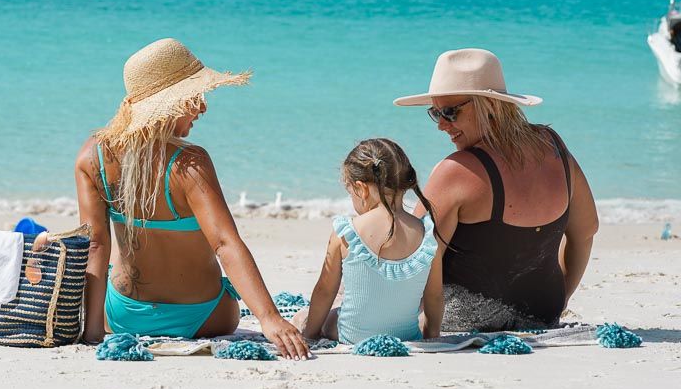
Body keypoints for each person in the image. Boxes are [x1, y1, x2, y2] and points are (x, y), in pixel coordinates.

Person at [75, 38, 308, 359]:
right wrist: (270, 319)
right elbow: (225, 244)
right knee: (227, 294)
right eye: (193, 97)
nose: (202, 107)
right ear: (168, 103)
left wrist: (92, 330)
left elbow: (96, 245)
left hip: (121, 316)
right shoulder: (190, 163)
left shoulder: (93, 156)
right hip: (205, 318)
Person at [394, 49, 598, 332]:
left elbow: (412, 260)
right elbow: (586, 232)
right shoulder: (554, 147)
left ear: (488, 106)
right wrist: (560, 300)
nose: (441, 125)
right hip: (542, 316)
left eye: (450, 112)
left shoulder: (457, 171)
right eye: (435, 113)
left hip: (464, 320)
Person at [298, 138, 441, 343]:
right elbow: (434, 296)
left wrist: (310, 333)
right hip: (406, 335)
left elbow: (324, 290)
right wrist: (431, 336)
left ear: (361, 188)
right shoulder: (427, 233)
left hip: (351, 335)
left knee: (302, 316)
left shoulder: (347, 231)